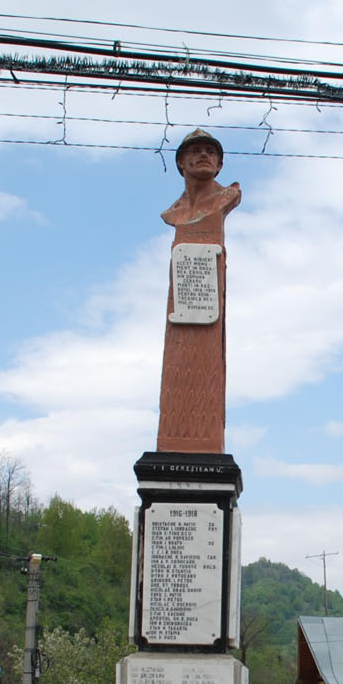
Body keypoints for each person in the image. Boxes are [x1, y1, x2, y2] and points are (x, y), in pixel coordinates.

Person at [156, 130, 239, 453]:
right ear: (181, 163)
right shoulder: (175, 212)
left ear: (219, 165)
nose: (203, 155)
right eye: (195, 151)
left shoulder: (225, 198)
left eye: (210, 151)